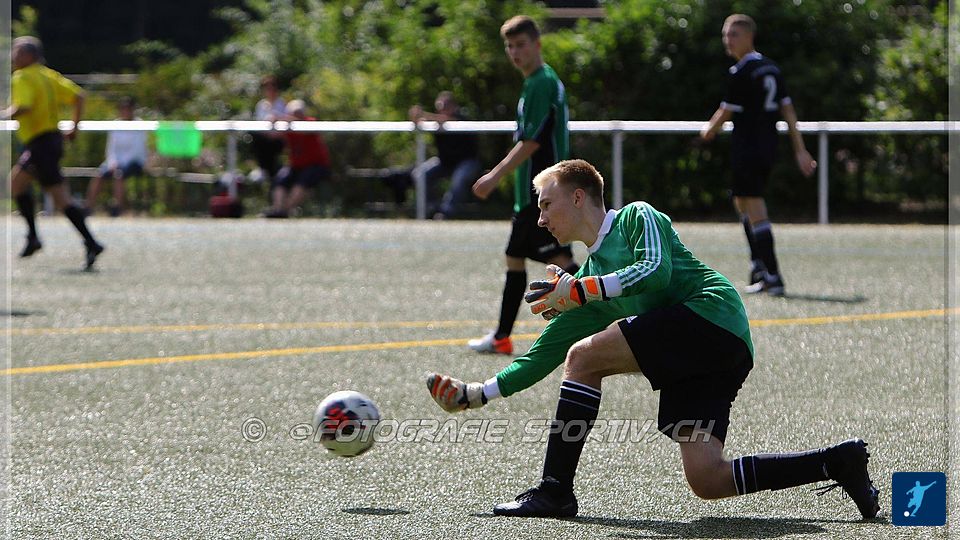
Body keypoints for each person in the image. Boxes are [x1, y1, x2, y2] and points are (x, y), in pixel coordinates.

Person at [427, 159, 880, 520]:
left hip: (712, 316)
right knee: (707, 479)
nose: (541, 219)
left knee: (584, 357)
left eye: (546, 205)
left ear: (578, 196)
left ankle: (555, 491)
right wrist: (476, 394)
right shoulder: (590, 280)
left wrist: (580, 291)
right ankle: (836, 462)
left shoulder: (635, 217)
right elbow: (543, 354)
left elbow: (654, 270)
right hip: (709, 352)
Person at [467, 15, 578, 355]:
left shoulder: (541, 82)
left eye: (521, 45)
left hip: (542, 191)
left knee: (560, 264)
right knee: (520, 257)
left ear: (537, 44)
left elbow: (531, 142)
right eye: (510, 46)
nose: (515, 52)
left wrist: (494, 175)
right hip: (536, 192)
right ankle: (501, 337)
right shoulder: (536, 81)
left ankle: (619, 320)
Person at [700, 14, 817, 297]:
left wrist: (708, 131)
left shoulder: (741, 71)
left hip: (748, 147)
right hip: (767, 147)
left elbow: (725, 112)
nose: (728, 40)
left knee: (754, 207)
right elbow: (788, 111)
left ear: (750, 36)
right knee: (741, 202)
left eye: (734, 34)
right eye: (725, 35)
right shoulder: (771, 68)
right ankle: (759, 268)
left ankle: (773, 276)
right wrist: (799, 149)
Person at [3, 36, 104, 270]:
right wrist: (74, 127)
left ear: (30, 55)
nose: (13, 56)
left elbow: (24, 106)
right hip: (50, 142)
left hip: (41, 144)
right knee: (22, 185)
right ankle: (43, 237)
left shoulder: (23, 76)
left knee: (56, 196)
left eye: (17, 52)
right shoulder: (48, 75)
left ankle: (86, 242)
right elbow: (79, 96)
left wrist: (4, 114)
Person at [386, 91, 481, 219]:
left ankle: (446, 212)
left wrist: (424, 114)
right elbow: (421, 121)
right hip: (444, 162)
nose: (442, 110)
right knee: (420, 174)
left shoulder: (462, 119)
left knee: (460, 177)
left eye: (445, 106)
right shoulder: (435, 122)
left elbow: (447, 120)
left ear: (454, 106)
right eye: (439, 107)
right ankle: (431, 208)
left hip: (467, 162)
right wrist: (415, 116)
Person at [262, 100, 331, 218]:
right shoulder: (287, 125)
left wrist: (282, 119)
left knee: (302, 182)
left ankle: (285, 211)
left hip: (316, 165)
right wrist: (271, 121)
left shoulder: (310, 122)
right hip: (295, 166)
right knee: (280, 180)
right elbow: (271, 135)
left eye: (298, 113)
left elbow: (303, 130)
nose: (295, 116)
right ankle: (278, 209)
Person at [84, 96, 148, 216]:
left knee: (119, 175)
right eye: (123, 108)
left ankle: (117, 207)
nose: (125, 111)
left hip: (134, 162)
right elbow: (111, 148)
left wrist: (120, 165)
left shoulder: (140, 125)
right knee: (99, 174)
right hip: (116, 162)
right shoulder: (115, 124)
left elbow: (137, 150)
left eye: (128, 109)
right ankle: (88, 206)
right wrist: (113, 162)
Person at [249, 75, 286, 183]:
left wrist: (277, 119)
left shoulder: (282, 104)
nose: (270, 91)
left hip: (279, 138)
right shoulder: (261, 105)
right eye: (267, 89)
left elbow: (288, 121)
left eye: (272, 88)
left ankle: (272, 174)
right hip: (265, 138)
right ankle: (263, 171)